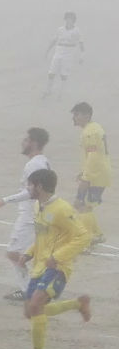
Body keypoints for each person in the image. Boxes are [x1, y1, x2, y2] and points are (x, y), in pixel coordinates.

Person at [17, 167, 92, 349]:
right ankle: (78, 304)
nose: (28, 188)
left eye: (30, 184)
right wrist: (29, 253)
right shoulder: (38, 206)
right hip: (40, 266)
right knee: (30, 311)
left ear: (39, 186)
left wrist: (58, 257)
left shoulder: (62, 209)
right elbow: (44, 236)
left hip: (58, 267)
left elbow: (84, 236)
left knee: (35, 306)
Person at [0, 127, 51, 300]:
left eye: (26, 140)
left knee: (14, 253)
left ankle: (29, 291)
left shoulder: (34, 164)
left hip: (29, 217)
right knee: (30, 254)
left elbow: (32, 192)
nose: (23, 142)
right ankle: (36, 289)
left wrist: (5, 200)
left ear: (34, 143)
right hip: (37, 214)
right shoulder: (43, 161)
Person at [70, 102, 110, 246]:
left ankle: (86, 242)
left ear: (87, 115)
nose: (74, 118)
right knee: (87, 206)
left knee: (83, 205)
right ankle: (97, 235)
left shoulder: (89, 132)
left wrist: (86, 177)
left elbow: (93, 156)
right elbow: (95, 155)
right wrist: (84, 171)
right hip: (99, 173)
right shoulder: (94, 128)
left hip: (95, 175)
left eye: (77, 114)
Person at [44, 12, 83, 98]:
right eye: (67, 18)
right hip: (58, 52)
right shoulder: (60, 29)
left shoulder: (76, 31)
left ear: (74, 21)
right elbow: (54, 40)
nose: (69, 21)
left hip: (68, 54)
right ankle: (48, 90)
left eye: (71, 19)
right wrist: (47, 51)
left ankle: (61, 93)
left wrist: (81, 56)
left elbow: (80, 43)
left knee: (64, 74)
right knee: (51, 72)